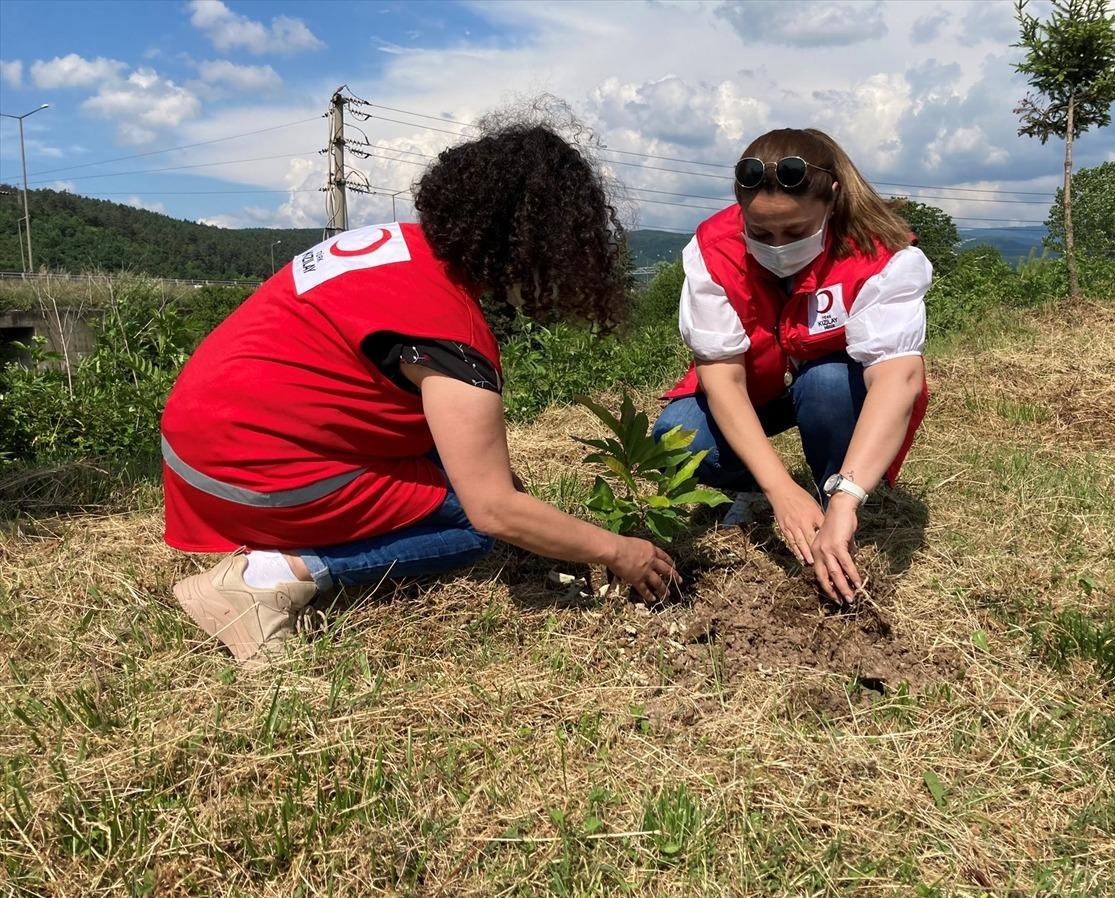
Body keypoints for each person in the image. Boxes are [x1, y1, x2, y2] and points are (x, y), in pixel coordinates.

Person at [163, 114, 678, 664]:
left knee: (467, 486)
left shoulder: (397, 247)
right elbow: (493, 510)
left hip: (202, 439)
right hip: (247, 474)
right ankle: (266, 578)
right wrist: (618, 549)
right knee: (475, 533)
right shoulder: (450, 332)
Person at [653, 128, 930, 604]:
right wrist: (780, 487)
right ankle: (758, 488)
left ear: (832, 201)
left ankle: (834, 503)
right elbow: (721, 380)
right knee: (678, 434)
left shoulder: (879, 254)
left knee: (825, 384)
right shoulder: (712, 250)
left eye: (796, 232)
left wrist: (847, 496)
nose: (777, 246)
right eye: (760, 232)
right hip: (757, 390)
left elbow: (897, 378)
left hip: (831, 386)